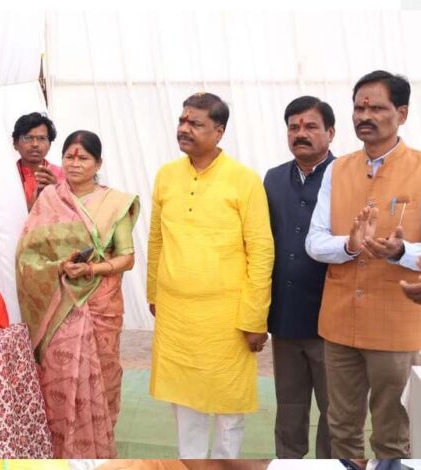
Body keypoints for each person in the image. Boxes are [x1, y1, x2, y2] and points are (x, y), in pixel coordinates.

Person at [305, 70, 421, 458]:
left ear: (402, 114)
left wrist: (401, 252)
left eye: (376, 108)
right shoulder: (337, 169)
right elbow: (315, 242)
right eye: (359, 108)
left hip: (395, 325)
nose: (364, 116)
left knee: (392, 435)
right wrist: (350, 245)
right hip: (339, 323)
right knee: (341, 429)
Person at [147, 92, 274, 458]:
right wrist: (154, 294)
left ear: (219, 131)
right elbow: (156, 239)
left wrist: (255, 317)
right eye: (182, 121)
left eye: (196, 123)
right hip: (177, 315)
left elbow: (261, 250)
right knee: (185, 404)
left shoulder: (243, 180)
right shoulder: (167, 175)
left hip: (226, 318)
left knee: (228, 406)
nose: (184, 128)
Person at [16, 130, 139, 458]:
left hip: (100, 301)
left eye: (83, 157)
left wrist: (91, 269)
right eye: (69, 156)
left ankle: (95, 450)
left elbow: (126, 258)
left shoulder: (115, 203)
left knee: (102, 374)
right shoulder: (49, 199)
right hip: (61, 303)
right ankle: (58, 450)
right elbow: (29, 254)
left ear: (98, 163)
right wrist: (59, 266)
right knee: (58, 376)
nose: (74, 163)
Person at [264, 96, 335, 458]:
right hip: (285, 316)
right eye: (293, 127)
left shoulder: (346, 176)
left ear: (330, 132)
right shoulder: (274, 178)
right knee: (289, 408)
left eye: (310, 126)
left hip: (332, 320)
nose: (300, 134)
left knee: (335, 412)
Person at [12, 112, 65, 211]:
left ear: (50, 145)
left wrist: (57, 191)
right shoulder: (6, 176)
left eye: (41, 138)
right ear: (15, 143)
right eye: (28, 138)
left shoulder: (63, 175)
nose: (35, 144)